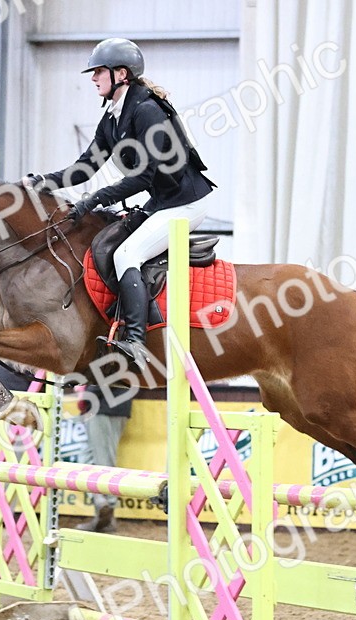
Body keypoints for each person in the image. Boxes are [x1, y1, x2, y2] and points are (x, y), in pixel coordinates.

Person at [24, 37, 215, 373]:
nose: (93, 78)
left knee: (128, 253)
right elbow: (85, 167)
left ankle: (135, 341)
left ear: (121, 74)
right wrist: (42, 183)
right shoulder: (113, 118)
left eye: (99, 71)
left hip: (187, 203)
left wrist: (97, 198)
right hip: (163, 202)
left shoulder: (146, 111)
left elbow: (146, 175)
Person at [74, 380, 134, 532]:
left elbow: (103, 373)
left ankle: (106, 509)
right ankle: (102, 505)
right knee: (90, 459)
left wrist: (86, 395)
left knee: (102, 462)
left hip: (102, 406)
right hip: (112, 405)